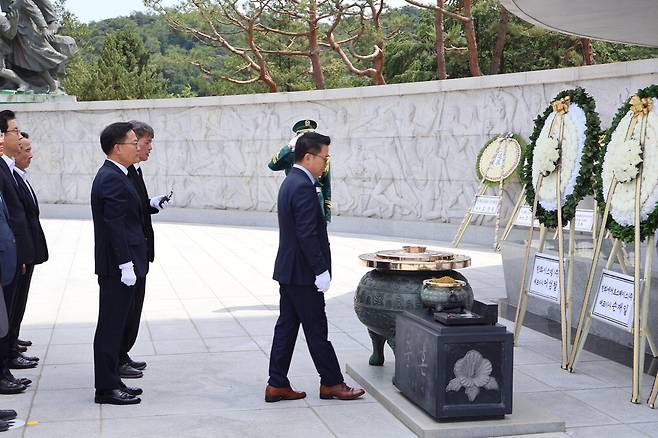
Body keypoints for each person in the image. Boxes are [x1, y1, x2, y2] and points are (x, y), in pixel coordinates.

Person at [266, 132, 364, 402]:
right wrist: (320, 270)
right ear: (308, 157)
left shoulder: (292, 182)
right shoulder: (303, 186)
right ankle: (332, 382)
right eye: (324, 157)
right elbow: (307, 234)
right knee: (317, 330)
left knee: (286, 328)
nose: (326, 163)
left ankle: (277, 384)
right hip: (302, 274)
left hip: (290, 271)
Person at [91, 122, 148, 405]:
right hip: (117, 266)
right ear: (117, 148)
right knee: (110, 327)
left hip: (123, 263)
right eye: (132, 142)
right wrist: (125, 264)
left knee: (115, 325)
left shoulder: (119, 174)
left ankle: (113, 380)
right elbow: (114, 226)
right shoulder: (111, 177)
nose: (136, 147)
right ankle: (106, 388)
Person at [118, 120, 170, 379]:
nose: (150, 148)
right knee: (124, 311)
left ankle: (123, 353)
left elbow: (135, 206)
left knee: (134, 308)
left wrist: (150, 204)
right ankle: (117, 357)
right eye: (147, 142)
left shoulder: (134, 170)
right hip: (128, 256)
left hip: (140, 252)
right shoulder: (120, 173)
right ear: (134, 142)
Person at [0, 110, 34, 394]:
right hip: (7, 255)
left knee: (9, 313)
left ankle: (4, 366)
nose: (19, 136)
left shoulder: (7, 169)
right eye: (14, 131)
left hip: (11, 254)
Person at [9, 132, 47, 367]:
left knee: (19, 301)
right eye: (25, 150)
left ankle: (13, 340)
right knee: (13, 303)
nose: (30, 155)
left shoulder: (21, 177)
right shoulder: (9, 177)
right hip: (19, 253)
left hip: (29, 249)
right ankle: (10, 349)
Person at [268, 120, 332, 223]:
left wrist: (327, 214)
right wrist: (289, 146)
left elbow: (326, 186)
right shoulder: (291, 156)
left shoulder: (322, 158)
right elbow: (272, 165)